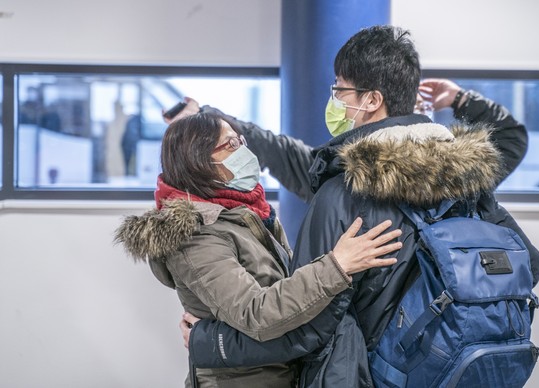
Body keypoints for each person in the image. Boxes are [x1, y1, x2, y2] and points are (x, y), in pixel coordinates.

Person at [175, 25, 539, 387]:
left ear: (371, 100)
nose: (334, 98)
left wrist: (210, 342)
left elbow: (303, 329)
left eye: (339, 88)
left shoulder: (342, 195)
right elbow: (529, 262)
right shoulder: (468, 182)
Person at [114, 112, 403, 387]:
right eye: (229, 145)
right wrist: (337, 265)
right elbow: (257, 314)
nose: (242, 150)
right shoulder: (196, 237)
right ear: (198, 161)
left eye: (240, 140)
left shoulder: (248, 213)